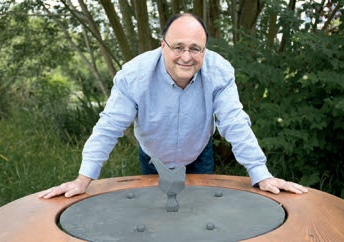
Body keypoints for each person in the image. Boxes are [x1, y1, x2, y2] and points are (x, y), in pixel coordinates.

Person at [39, 13, 307, 199]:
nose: (187, 57)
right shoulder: (134, 75)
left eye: (195, 48)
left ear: (205, 49)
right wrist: (83, 179)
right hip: (152, 155)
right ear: (162, 45)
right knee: (155, 216)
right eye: (178, 47)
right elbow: (109, 127)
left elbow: (235, 123)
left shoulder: (220, 72)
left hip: (198, 153)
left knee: (201, 215)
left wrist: (261, 174)